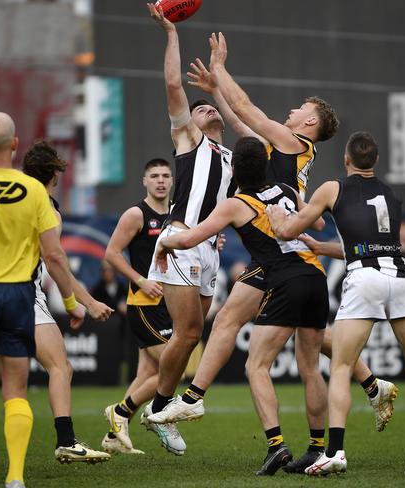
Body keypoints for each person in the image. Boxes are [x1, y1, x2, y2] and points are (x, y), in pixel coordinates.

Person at [156, 33, 399, 452]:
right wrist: (218, 92)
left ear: (309, 124)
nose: (292, 109)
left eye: (300, 108)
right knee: (302, 345)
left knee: (237, 325)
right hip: (287, 253)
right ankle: (370, 388)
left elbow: (249, 110)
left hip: (284, 252)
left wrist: (220, 68)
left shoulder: (295, 142)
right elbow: (244, 126)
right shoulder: (284, 148)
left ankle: (194, 399)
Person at [266, 131, 405, 477]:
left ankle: (335, 451)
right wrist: (325, 248)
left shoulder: (333, 188)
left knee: (341, 365)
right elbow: (372, 245)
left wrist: (278, 219)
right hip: (400, 278)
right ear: (377, 162)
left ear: (346, 160)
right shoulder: (391, 195)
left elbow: (289, 230)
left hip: (364, 280)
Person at [153, 137, 329, 476]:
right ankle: (317, 448)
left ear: (233, 171)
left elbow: (190, 238)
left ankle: (276, 445)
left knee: (256, 366)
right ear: (265, 166)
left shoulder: (236, 203)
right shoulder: (285, 190)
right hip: (316, 278)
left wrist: (164, 244)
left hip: (285, 280)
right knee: (310, 367)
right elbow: (318, 223)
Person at [141, 4, 247, 446]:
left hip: (208, 248)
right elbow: (170, 83)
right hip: (182, 238)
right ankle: (160, 408)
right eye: (199, 109)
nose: (204, 111)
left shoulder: (236, 156)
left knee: (190, 336)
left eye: (208, 109)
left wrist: (218, 84)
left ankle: (152, 406)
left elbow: (250, 126)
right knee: (188, 332)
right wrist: (171, 32)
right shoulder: (189, 139)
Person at [0, 113, 84, 488]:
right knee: (15, 389)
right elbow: (54, 256)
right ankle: (15, 477)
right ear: (15, 145)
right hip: (19, 295)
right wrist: (70, 300)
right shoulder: (34, 192)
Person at [0, 140, 113, 465]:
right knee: (60, 366)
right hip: (22, 294)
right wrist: (83, 302)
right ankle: (65, 441)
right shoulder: (45, 207)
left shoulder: (2, 198)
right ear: (55, 175)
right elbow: (54, 258)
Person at [101, 158, 186, 456]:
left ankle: (114, 434)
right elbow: (111, 253)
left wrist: (213, 244)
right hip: (144, 302)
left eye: (165, 175)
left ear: (172, 181)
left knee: (146, 374)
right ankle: (134, 412)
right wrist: (140, 280)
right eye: (154, 176)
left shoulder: (179, 213)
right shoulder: (136, 214)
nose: (161, 180)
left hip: (169, 302)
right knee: (174, 365)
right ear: (145, 181)